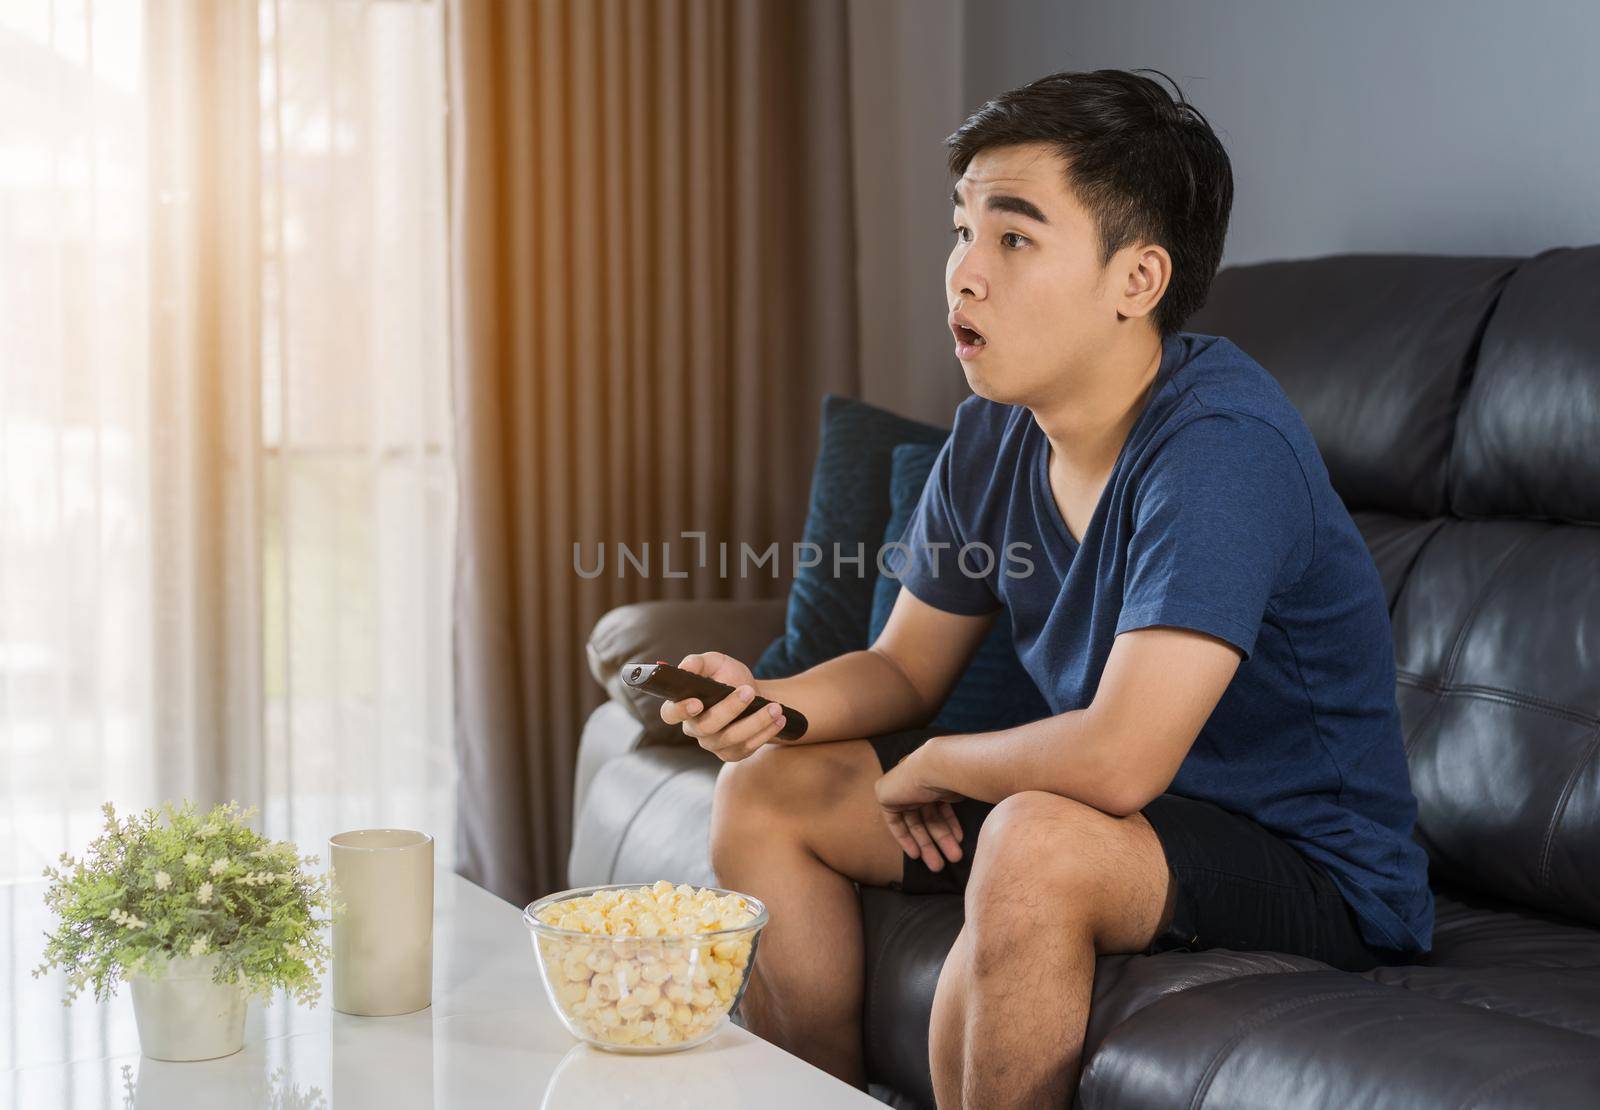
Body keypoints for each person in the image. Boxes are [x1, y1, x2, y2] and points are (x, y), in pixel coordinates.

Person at [666, 68, 1433, 1109]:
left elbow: (1117, 759)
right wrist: (770, 709)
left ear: (1138, 279)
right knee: (767, 789)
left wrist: (943, 763)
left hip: (1303, 862)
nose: (963, 274)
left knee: (1032, 837)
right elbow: (903, 664)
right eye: (960, 230)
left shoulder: (1219, 450)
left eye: (1014, 238)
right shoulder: (995, 427)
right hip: (1101, 818)